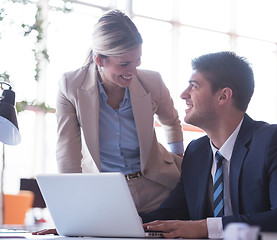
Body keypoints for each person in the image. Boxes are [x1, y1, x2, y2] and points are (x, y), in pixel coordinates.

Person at [140, 51, 277, 238]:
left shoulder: (275, 140)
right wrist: (128, 220)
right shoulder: (196, 151)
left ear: (223, 96)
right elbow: (172, 212)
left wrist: (206, 228)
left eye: (194, 86)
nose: (184, 95)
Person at [55, 9, 183, 212]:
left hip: (157, 188)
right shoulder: (71, 86)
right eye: (124, 64)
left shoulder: (152, 82)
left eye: (137, 60)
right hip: (107, 193)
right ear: (100, 60)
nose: (133, 70)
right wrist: (71, 205)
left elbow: (171, 122)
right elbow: (67, 153)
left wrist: (181, 162)